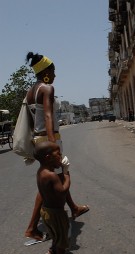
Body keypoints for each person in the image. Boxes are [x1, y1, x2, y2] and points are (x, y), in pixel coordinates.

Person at [25, 52, 89, 240]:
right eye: (53, 70)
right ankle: (31, 227)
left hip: (38, 139)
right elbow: (47, 115)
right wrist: (54, 145)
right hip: (49, 139)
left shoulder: (31, 91)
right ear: (45, 71)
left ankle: (74, 208)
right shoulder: (47, 88)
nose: (55, 75)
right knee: (52, 182)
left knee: (56, 177)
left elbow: (31, 118)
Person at [34, 141, 74, 254]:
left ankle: (53, 251)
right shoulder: (51, 175)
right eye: (59, 154)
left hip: (45, 211)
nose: (61, 157)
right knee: (62, 236)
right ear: (48, 158)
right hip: (56, 213)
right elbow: (62, 191)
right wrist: (66, 174)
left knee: (54, 234)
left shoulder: (41, 172)